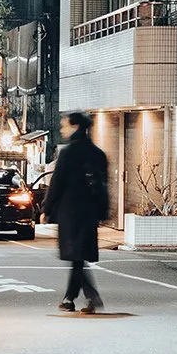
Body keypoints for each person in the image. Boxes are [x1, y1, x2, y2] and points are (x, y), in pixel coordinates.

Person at [43, 111, 110, 313]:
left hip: (70, 212)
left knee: (76, 255)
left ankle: (87, 297)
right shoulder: (98, 153)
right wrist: (103, 210)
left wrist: (47, 208)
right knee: (78, 257)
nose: (62, 128)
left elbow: (57, 183)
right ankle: (71, 298)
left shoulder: (69, 153)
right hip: (90, 212)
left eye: (65, 125)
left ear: (75, 127)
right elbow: (104, 185)